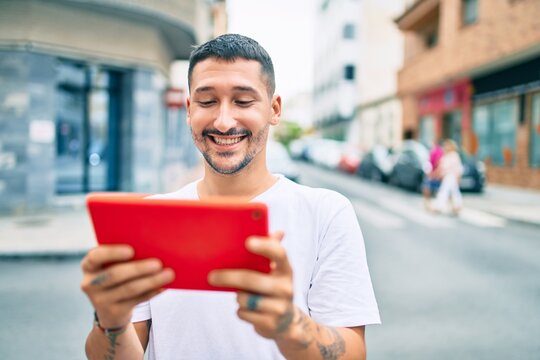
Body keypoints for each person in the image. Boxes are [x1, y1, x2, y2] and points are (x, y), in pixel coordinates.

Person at [80, 34, 380, 360]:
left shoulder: (326, 212)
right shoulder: (153, 217)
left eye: (243, 101)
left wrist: (289, 326)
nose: (223, 122)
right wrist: (110, 321)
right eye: (207, 102)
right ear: (189, 109)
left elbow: (353, 352)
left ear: (274, 109)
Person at [432, 139, 464, 215]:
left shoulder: (454, 155)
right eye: (445, 146)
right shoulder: (446, 155)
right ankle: (457, 206)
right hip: (447, 176)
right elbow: (441, 166)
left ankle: (439, 206)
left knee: (444, 191)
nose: (445, 147)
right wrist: (438, 174)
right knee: (454, 192)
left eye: (447, 145)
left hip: (451, 176)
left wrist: (458, 177)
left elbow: (458, 168)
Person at [422, 140, 443, 210]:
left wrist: (433, 173)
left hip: (433, 173)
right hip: (434, 173)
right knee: (434, 189)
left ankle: (428, 203)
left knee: (429, 187)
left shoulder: (435, 151)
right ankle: (430, 204)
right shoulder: (439, 151)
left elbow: (436, 162)